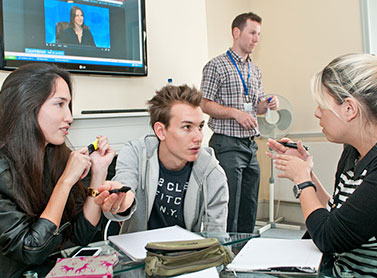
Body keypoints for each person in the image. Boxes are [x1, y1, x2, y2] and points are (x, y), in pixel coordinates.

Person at [0, 63, 135, 278]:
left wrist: (98, 172)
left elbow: (81, 236)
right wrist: (65, 182)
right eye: (60, 104)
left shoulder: (56, 156)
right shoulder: (3, 170)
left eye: (69, 105)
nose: (69, 117)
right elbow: (30, 250)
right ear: (27, 106)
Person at [267, 53, 377, 277]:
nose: (316, 113)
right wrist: (305, 170)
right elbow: (339, 217)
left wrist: (303, 181)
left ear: (349, 109)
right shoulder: (352, 152)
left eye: (321, 105)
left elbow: (330, 237)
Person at [106, 84, 229, 233]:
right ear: (161, 131)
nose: (198, 137)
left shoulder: (212, 172)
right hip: (138, 252)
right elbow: (124, 185)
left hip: (185, 253)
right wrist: (122, 202)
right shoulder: (136, 153)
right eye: (187, 127)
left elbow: (216, 235)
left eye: (200, 127)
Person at [201, 12, 278, 232]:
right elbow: (205, 104)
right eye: (252, 33)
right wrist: (235, 113)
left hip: (249, 145)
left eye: (259, 34)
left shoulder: (255, 70)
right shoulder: (215, 66)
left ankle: (245, 250)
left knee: (249, 204)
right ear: (237, 32)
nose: (256, 39)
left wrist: (269, 103)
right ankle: (225, 253)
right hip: (227, 144)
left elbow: (257, 107)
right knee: (229, 204)